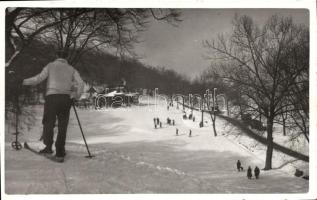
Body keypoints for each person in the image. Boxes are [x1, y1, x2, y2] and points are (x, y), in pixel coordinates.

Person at [22, 50, 84, 162]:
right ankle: (60, 151)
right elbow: (81, 83)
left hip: (52, 98)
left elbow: (38, 79)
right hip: (66, 99)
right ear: (67, 57)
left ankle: (48, 148)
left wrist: (23, 81)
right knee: (62, 125)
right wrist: (76, 95)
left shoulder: (50, 66)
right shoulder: (71, 69)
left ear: (56, 56)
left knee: (48, 123)